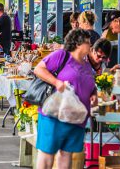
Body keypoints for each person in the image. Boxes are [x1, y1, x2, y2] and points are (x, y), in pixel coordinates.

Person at [34, 29, 97, 169]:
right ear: (78, 44)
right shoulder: (62, 56)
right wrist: (57, 82)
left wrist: (94, 94)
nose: (90, 45)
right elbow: (38, 69)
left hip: (76, 118)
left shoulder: (87, 65)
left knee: (66, 154)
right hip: (55, 115)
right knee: (47, 153)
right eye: (88, 42)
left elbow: (90, 85)